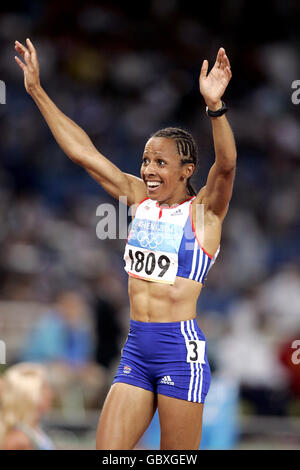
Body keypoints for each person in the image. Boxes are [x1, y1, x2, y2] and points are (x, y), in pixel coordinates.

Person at [15, 38, 236, 450]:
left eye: (161, 163)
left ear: (187, 171)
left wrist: (215, 108)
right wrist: (37, 92)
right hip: (136, 348)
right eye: (146, 160)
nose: (149, 170)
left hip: (178, 350)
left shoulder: (203, 213)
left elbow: (225, 166)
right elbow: (84, 153)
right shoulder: (137, 199)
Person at [0, 362, 55, 450]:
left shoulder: (33, 430)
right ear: (28, 394)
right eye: (44, 388)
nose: (50, 394)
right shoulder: (18, 440)